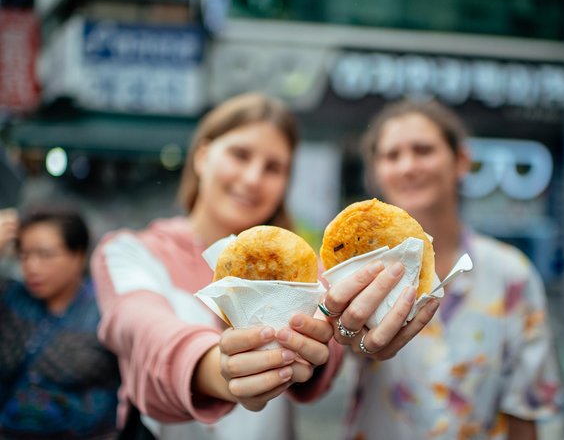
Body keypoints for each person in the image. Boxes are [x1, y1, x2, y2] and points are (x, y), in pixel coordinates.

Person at [90, 92, 438, 440]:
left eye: (274, 168)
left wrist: (351, 335)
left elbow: (329, 345)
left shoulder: (303, 271)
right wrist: (220, 369)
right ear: (202, 155)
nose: (253, 178)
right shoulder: (129, 252)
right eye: (240, 155)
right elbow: (145, 334)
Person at [328, 99, 564, 439]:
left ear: (462, 161)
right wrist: (346, 337)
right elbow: (324, 360)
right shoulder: (349, 272)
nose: (408, 166)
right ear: (376, 172)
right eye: (392, 156)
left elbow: (525, 409)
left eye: (423, 150)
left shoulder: (511, 274)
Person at [0, 206, 120, 439]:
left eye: (45, 255)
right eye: (24, 255)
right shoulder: (10, 298)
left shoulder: (106, 309)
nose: (32, 267)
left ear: (78, 255)